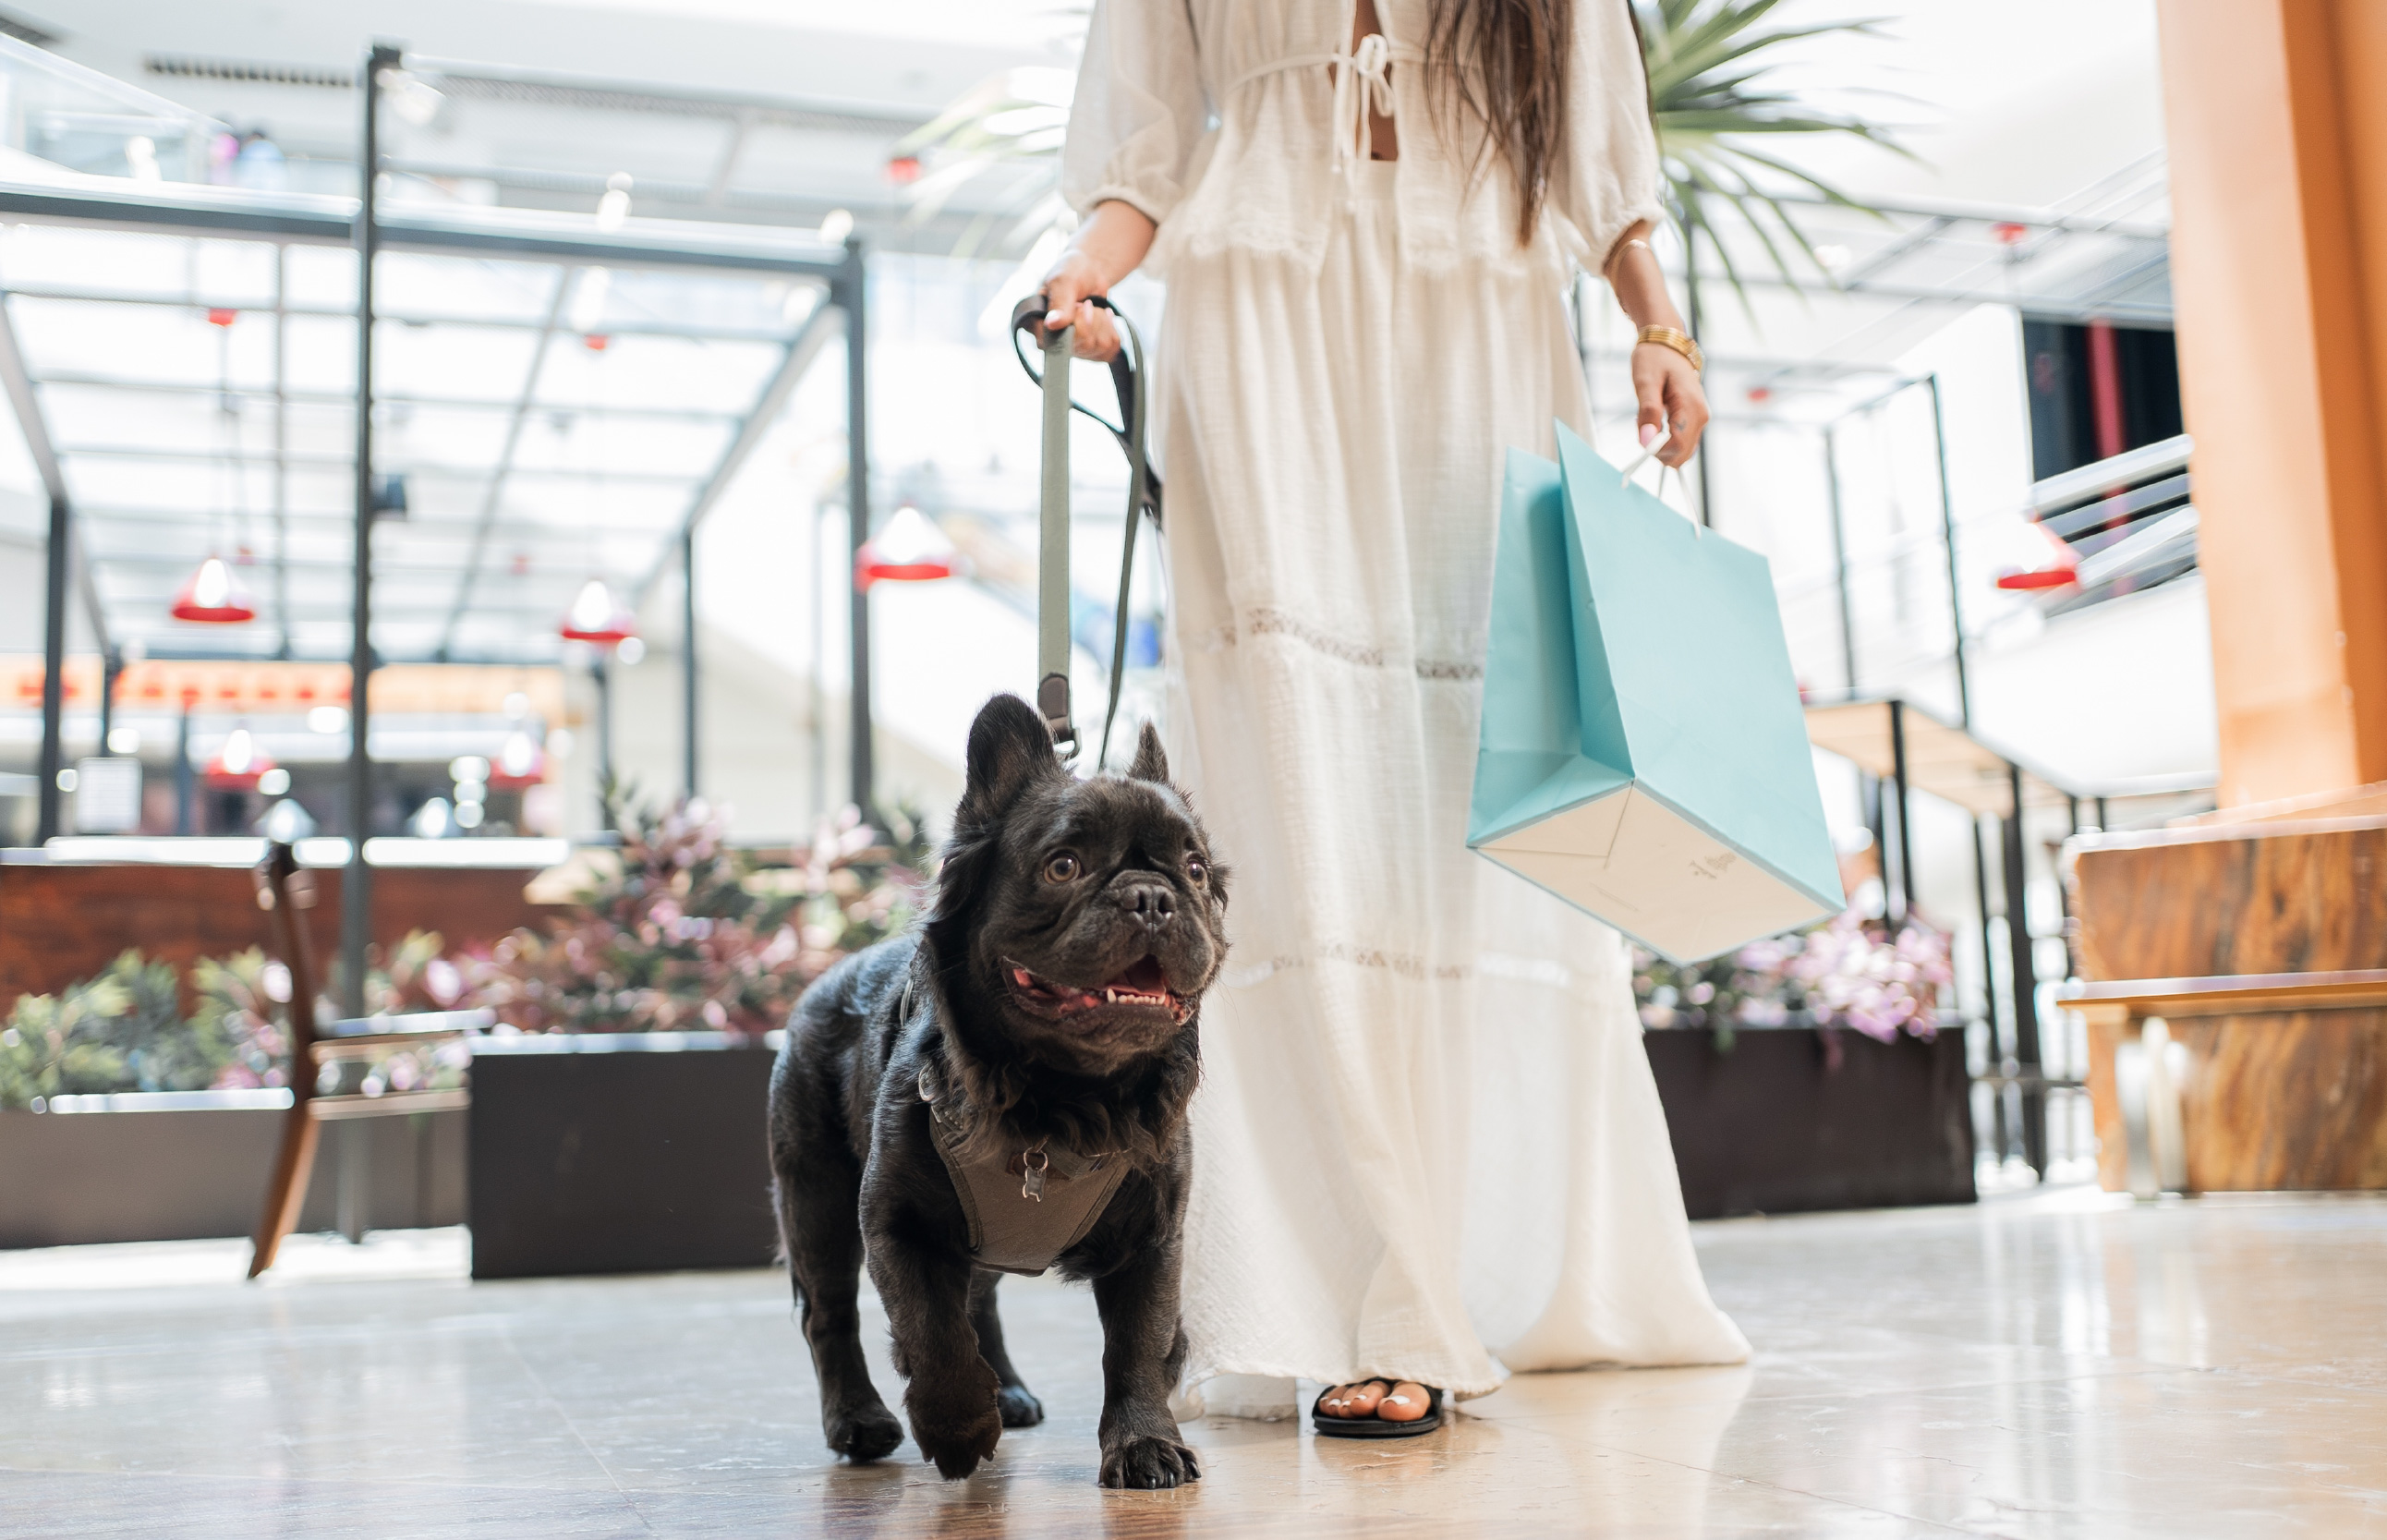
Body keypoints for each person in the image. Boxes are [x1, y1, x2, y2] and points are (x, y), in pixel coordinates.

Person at [1044, 0, 1750, 1433]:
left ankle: (1451, 1262)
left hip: (1476, 314)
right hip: (1255, 320)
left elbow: (1601, 153)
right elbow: (1144, 152)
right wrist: (1083, 275)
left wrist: (1657, 324)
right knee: (1293, 803)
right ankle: (1364, 1287)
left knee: (1462, 805)